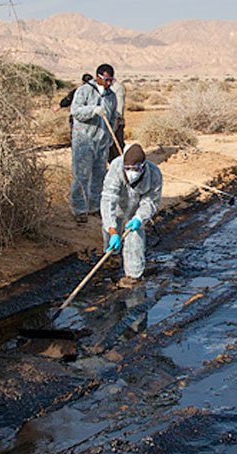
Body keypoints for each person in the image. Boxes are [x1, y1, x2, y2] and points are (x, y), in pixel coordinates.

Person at [100, 143, 162, 288]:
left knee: (135, 236)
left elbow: (151, 201)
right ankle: (112, 255)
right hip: (118, 207)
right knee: (110, 232)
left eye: (135, 169)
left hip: (136, 211)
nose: (131, 173)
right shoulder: (116, 167)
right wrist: (112, 230)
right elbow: (108, 198)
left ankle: (133, 275)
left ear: (143, 166)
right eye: (128, 169)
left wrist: (139, 218)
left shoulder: (154, 174)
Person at [70, 64, 118, 224]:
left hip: (102, 142)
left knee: (99, 176)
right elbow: (75, 111)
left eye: (111, 80)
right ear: (98, 76)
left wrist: (110, 135)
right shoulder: (84, 91)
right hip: (84, 140)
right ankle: (79, 209)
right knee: (81, 175)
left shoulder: (112, 96)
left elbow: (112, 118)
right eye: (106, 79)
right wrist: (93, 110)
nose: (109, 83)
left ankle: (94, 207)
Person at [108, 76, 126, 162]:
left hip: (116, 123)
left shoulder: (118, 88)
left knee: (117, 146)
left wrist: (116, 124)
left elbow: (119, 108)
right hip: (107, 123)